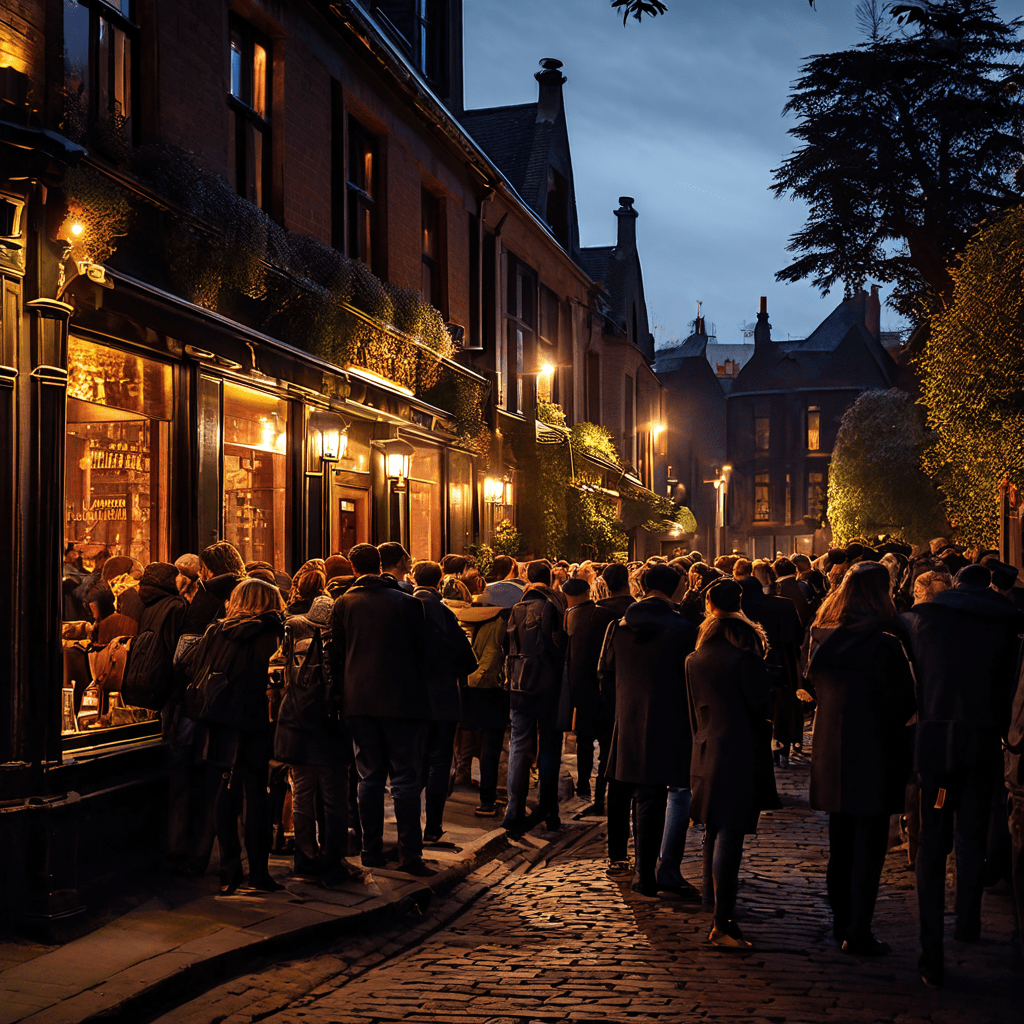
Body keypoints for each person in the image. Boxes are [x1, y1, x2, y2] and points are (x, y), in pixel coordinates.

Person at [903, 563, 1024, 987]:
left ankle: (930, 952)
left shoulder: (924, 620)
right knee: (971, 835)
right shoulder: (1006, 623)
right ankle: (967, 921)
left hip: (936, 746)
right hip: (982, 742)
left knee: (934, 842)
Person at [801, 562, 916, 956]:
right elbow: (905, 700)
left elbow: (810, 683)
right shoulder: (885, 642)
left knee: (841, 845)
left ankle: (840, 922)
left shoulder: (820, 636)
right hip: (875, 750)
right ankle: (859, 930)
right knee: (869, 849)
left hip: (831, 750)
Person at [686, 579, 779, 949]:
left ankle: (714, 906)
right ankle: (722, 921)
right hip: (739, 750)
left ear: (708, 605)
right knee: (731, 834)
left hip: (707, 746)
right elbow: (761, 707)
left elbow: (692, 710)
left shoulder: (695, 656)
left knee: (715, 826)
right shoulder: (746, 657)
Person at [331, 542, 432, 875]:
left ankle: (370, 850)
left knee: (368, 777)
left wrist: (340, 698)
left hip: (358, 700)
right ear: (380, 566)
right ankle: (410, 854)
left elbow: (337, 656)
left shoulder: (344, 604)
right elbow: (423, 655)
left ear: (354, 568)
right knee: (405, 778)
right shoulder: (408, 604)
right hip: (402, 701)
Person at [599, 564, 698, 899]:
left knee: (636, 795)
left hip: (626, 719)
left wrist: (622, 708)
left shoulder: (619, 626)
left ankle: (636, 868)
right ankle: (648, 873)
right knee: (657, 797)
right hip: (669, 720)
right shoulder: (684, 628)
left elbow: (605, 674)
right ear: (673, 588)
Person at [186, 578, 286, 894]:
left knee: (224, 793)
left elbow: (196, 669)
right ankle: (259, 871)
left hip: (218, 720)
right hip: (256, 722)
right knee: (257, 795)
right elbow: (274, 680)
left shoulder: (216, 631)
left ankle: (230, 869)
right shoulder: (272, 633)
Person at [274, 593, 357, 885]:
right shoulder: (340, 648)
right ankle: (333, 860)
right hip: (329, 731)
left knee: (302, 795)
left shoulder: (290, 644)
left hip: (295, 727)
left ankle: (305, 857)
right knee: (335, 798)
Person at [502, 560, 569, 835]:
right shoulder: (556, 605)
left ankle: (513, 811)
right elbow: (561, 646)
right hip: (549, 686)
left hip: (519, 684)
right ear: (550, 577)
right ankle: (548, 808)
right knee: (550, 748)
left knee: (519, 746)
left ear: (528, 578)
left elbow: (507, 646)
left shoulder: (517, 607)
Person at [412, 560, 477, 844]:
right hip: (442, 697)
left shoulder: (404, 608)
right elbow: (467, 659)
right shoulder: (443, 612)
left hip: (410, 698)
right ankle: (433, 827)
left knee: (413, 762)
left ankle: (410, 827)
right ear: (439, 581)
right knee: (439, 762)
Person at [445, 581, 510, 817]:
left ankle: (451, 791)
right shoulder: (499, 622)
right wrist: (477, 678)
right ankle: (487, 800)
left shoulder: (468, 618)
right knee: (490, 747)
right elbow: (491, 656)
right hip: (490, 691)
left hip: (467, 688)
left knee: (462, 743)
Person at [562, 578, 615, 809]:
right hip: (603, 686)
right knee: (604, 742)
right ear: (588, 591)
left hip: (581, 688)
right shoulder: (603, 615)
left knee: (584, 740)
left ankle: (584, 784)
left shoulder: (568, 617)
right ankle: (601, 790)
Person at [184, 541, 246, 633]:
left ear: (211, 570)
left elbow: (193, 630)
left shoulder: (208, 592)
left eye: (203, 569)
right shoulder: (248, 589)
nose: (200, 574)